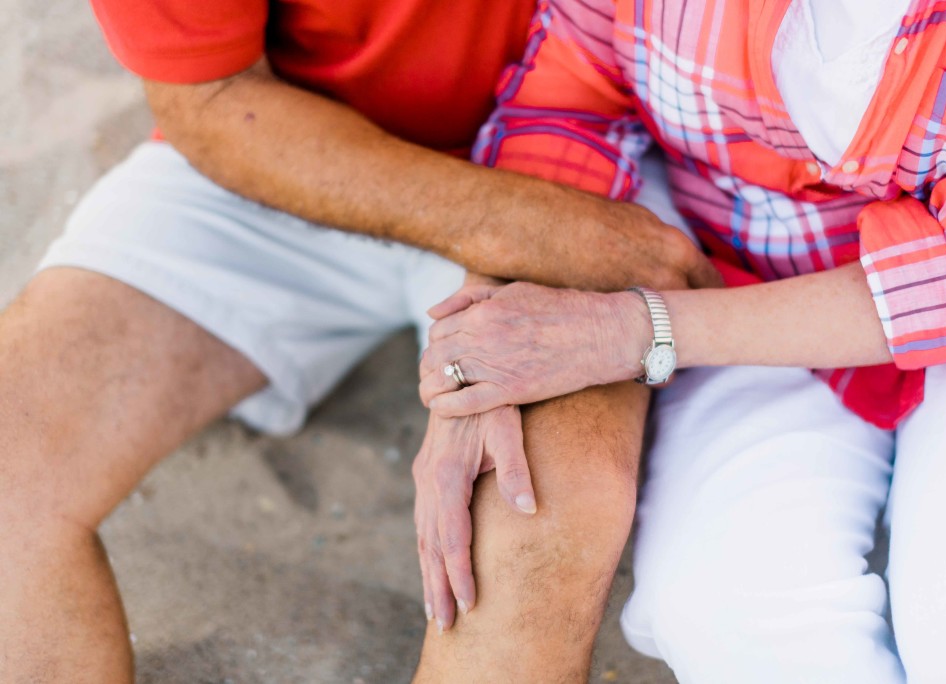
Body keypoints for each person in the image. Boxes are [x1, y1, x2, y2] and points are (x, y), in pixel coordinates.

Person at [0, 1, 722, 682]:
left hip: (581, 135)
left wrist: (519, 277)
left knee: (528, 545)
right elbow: (211, 97)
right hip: (288, 141)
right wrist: (509, 234)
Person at [419, 0, 946, 681]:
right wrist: (485, 350)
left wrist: (633, 330)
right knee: (717, 617)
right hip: (742, 285)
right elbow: (571, 100)